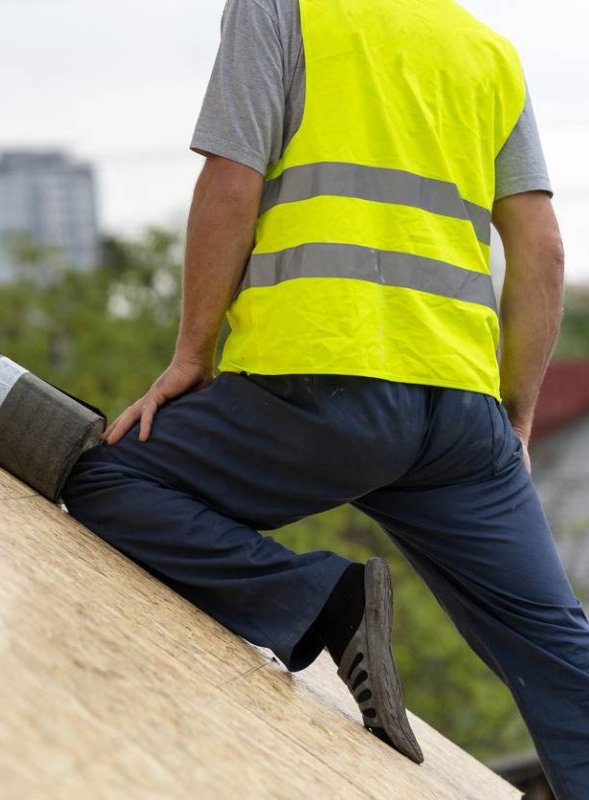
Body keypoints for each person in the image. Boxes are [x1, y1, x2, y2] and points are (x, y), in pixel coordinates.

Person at [60, 0, 589, 795]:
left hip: (319, 387)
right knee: (555, 643)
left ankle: (320, 604)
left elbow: (232, 182)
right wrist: (514, 412)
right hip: (462, 418)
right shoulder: (486, 50)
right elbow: (542, 248)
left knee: (104, 476)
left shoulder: (282, 8)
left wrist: (191, 355)